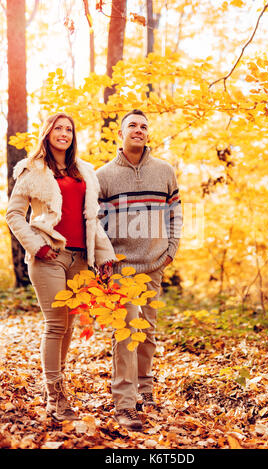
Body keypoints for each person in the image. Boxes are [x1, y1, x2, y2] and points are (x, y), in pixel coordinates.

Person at [6, 112, 117, 422]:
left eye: (69, 129)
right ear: (48, 133)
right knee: (56, 325)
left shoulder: (85, 172)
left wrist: (105, 257)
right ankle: (56, 396)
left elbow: (91, 219)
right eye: (58, 128)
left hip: (81, 259)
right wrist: (36, 246)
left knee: (68, 326)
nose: (64, 133)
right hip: (49, 257)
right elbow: (14, 215)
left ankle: (55, 383)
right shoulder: (33, 170)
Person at [96, 109, 182, 431]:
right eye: (132, 125)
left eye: (144, 126)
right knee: (128, 331)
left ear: (148, 134)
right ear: (120, 133)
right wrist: (104, 264)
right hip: (120, 269)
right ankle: (125, 403)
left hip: (154, 266)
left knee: (147, 333)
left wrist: (171, 250)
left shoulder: (164, 171)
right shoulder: (104, 176)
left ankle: (144, 391)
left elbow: (176, 213)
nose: (139, 130)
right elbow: (95, 225)